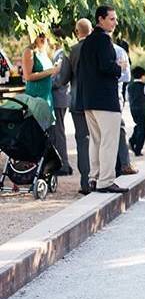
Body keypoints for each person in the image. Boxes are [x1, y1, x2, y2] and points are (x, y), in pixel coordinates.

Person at [77, 5, 128, 193]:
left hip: (89, 100)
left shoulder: (87, 42)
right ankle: (105, 181)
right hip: (105, 100)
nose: (115, 22)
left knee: (96, 140)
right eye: (111, 19)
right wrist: (119, 67)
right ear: (100, 19)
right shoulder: (104, 41)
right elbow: (106, 67)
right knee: (108, 140)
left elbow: (83, 73)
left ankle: (94, 178)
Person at [63, 18, 92, 194]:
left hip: (77, 102)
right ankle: (99, 178)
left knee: (82, 141)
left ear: (76, 31)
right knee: (98, 140)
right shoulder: (99, 47)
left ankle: (85, 182)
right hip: (96, 102)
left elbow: (64, 78)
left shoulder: (72, 51)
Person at [50, 27, 73, 175]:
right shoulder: (62, 52)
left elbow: (60, 78)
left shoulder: (61, 53)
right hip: (61, 96)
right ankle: (62, 163)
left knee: (58, 131)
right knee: (58, 130)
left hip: (59, 95)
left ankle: (63, 164)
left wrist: (47, 83)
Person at [22, 33, 60, 121]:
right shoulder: (29, 51)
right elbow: (27, 76)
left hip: (47, 96)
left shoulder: (44, 52)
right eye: (40, 36)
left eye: (45, 36)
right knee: (35, 129)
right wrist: (50, 71)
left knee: (46, 130)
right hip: (36, 96)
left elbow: (47, 74)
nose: (43, 38)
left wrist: (55, 69)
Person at [113, 41, 137, 176]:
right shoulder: (119, 51)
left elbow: (126, 76)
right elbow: (126, 76)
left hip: (114, 96)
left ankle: (122, 164)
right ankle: (122, 164)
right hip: (108, 98)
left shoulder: (118, 51)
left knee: (118, 129)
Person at [128, 66, 145, 156]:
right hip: (141, 109)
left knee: (138, 125)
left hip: (132, 109)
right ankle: (137, 149)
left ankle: (132, 141)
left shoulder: (129, 86)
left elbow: (128, 97)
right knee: (142, 129)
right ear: (143, 76)